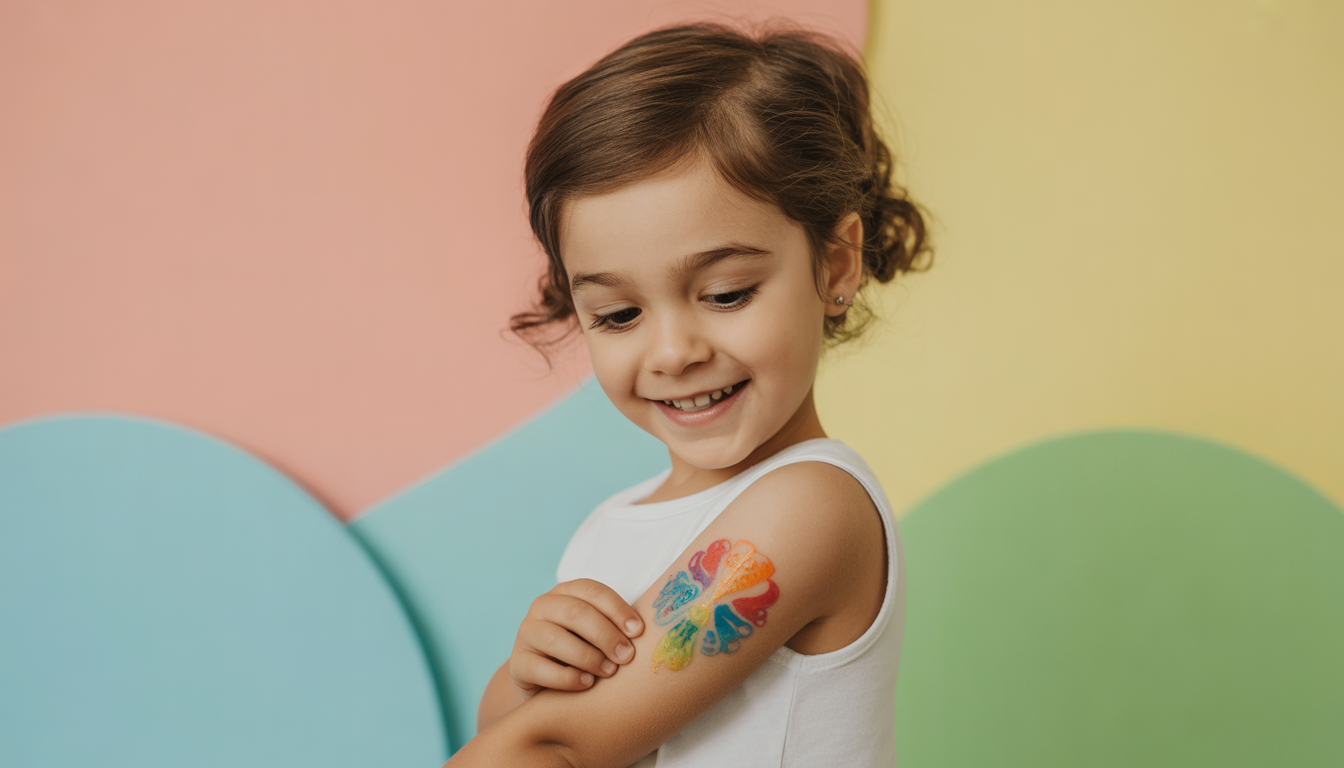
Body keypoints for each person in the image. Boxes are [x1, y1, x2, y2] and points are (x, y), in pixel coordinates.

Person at [452, 21, 930, 768]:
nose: (674, 352)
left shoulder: (810, 506)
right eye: (619, 315)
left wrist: (533, 725)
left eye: (727, 293)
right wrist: (526, 673)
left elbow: (562, 745)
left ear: (836, 266)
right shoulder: (613, 525)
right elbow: (516, 729)